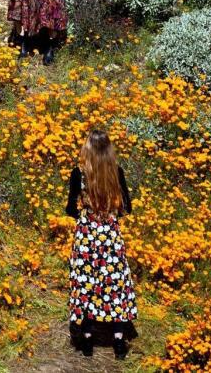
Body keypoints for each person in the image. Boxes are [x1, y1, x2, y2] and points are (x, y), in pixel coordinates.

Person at [65, 129, 137, 360]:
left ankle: (87, 339)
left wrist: (86, 218)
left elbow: (69, 208)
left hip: (86, 235)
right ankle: (118, 341)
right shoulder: (116, 172)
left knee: (86, 283)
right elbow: (127, 207)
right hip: (110, 235)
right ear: (108, 150)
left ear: (87, 149)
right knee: (113, 284)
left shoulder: (79, 173)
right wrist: (109, 217)